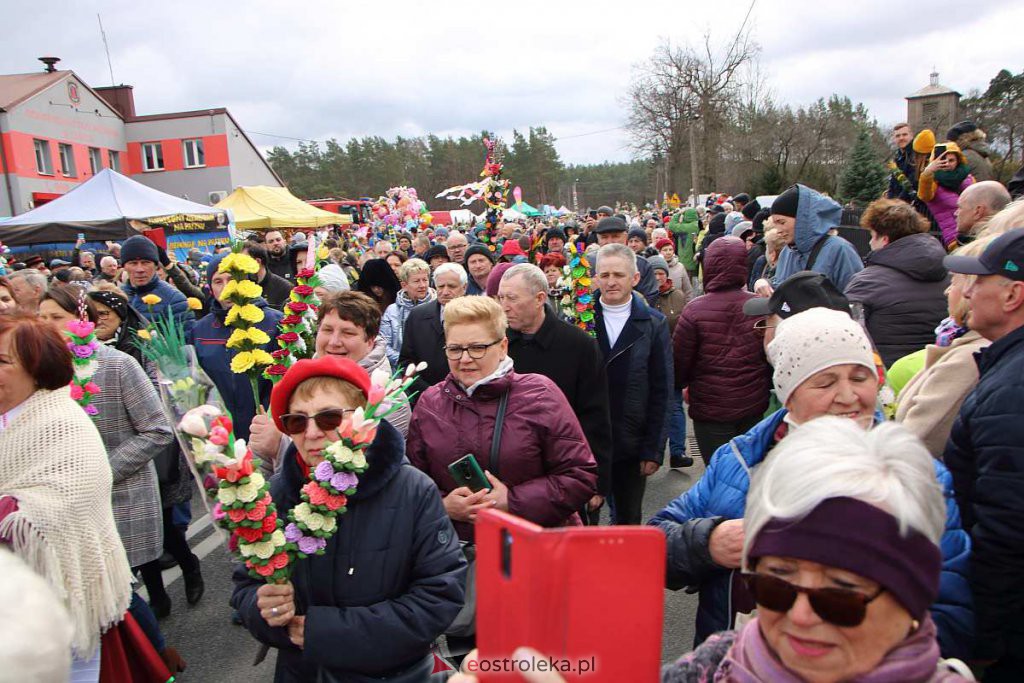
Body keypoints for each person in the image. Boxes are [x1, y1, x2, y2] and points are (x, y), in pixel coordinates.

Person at [651, 307, 973, 658]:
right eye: (826, 382)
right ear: (788, 394)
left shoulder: (917, 476)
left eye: (860, 377)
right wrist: (708, 542)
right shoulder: (740, 460)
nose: (848, 396)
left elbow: (950, 610)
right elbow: (654, 543)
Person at [661, 418, 972, 682]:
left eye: (841, 593)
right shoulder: (714, 663)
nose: (800, 616)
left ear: (912, 596)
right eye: (775, 585)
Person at [231, 356, 467, 681]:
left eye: (328, 418)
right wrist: (265, 610)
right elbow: (246, 586)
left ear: (364, 419)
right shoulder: (274, 494)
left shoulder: (413, 491)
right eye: (297, 422)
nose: (312, 433)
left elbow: (439, 597)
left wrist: (324, 632)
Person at [0, 315, 134, 678]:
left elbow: (63, 504)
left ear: (37, 370)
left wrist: (9, 511)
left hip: (58, 601)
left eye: (2, 361)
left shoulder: (61, 423)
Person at [407, 295, 597, 541]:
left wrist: (513, 501)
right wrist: (443, 505)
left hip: (532, 546)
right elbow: (413, 483)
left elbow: (579, 475)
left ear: (503, 346)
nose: (465, 358)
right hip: (457, 553)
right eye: (455, 349)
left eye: (478, 348)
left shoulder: (540, 394)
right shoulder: (430, 403)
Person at [943, 227, 1024, 679]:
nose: (967, 292)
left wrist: (984, 638)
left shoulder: (1014, 388)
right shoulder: (1007, 368)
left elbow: (1007, 527)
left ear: (1013, 294)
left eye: (979, 280)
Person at [249, 291, 412, 472]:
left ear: (370, 341)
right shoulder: (297, 385)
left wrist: (279, 446)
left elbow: (361, 471)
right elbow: (261, 469)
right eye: (327, 330)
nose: (334, 342)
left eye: (348, 333)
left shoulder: (389, 399)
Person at [500, 264, 613, 520]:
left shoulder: (579, 345)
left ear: (540, 298)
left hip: (564, 476)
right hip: (510, 480)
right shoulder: (497, 344)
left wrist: (596, 482)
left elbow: (595, 417)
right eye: (501, 297)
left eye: (512, 298)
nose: (504, 306)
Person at [674, 237, 770, 465]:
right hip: (752, 405)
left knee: (718, 471)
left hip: (710, 409)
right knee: (749, 470)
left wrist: (685, 384)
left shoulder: (694, 310)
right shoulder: (759, 307)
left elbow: (679, 364)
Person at [593, 243, 671, 524]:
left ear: (635, 278)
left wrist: (654, 448)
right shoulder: (580, 319)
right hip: (589, 442)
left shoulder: (653, 324)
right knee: (585, 523)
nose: (611, 282)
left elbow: (662, 388)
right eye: (604, 275)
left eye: (619, 275)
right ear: (595, 278)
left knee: (628, 521)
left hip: (631, 443)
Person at [895, 236, 993, 458]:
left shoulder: (970, 357)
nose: (947, 291)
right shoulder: (966, 345)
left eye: (954, 281)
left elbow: (916, 440)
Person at [844, 198, 950, 367]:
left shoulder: (867, 282)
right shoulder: (951, 276)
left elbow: (847, 333)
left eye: (872, 236)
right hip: (935, 369)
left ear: (884, 239)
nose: (870, 243)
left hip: (886, 372)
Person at [192, 253, 283, 441]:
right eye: (218, 281)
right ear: (210, 288)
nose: (227, 288)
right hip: (220, 435)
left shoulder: (274, 323)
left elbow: (281, 379)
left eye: (231, 279)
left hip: (264, 431)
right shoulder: (200, 330)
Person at [754, 184, 863, 294]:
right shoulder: (788, 252)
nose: (778, 230)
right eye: (776, 223)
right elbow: (780, 285)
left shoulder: (840, 250)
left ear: (802, 219)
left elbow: (857, 296)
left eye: (782, 222)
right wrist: (766, 283)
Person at [398, 262, 466, 398]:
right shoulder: (417, 316)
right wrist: (429, 392)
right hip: (426, 397)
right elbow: (406, 362)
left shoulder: (478, 317)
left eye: (451, 286)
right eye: (440, 286)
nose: (445, 292)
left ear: (464, 287)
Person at [119, 235, 195, 336]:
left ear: (156, 266)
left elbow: (185, 340)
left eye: (145, 263)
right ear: (124, 267)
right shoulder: (118, 295)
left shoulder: (174, 299)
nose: (140, 269)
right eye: (133, 263)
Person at [915, 131, 977, 250]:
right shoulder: (932, 181)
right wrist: (928, 172)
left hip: (974, 234)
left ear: (958, 161)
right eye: (943, 160)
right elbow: (924, 195)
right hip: (951, 239)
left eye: (951, 160)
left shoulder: (968, 178)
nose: (947, 164)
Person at [381, 258, 435, 367]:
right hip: (401, 370)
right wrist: (406, 363)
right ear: (404, 285)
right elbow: (383, 344)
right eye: (416, 281)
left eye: (425, 280)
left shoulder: (438, 307)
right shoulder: (392, 310)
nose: (422, 285)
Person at [242, 241, 293, 310]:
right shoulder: (241, 287)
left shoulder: (285, 288)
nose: (239, 266)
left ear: (257, 262)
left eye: (243, 261)